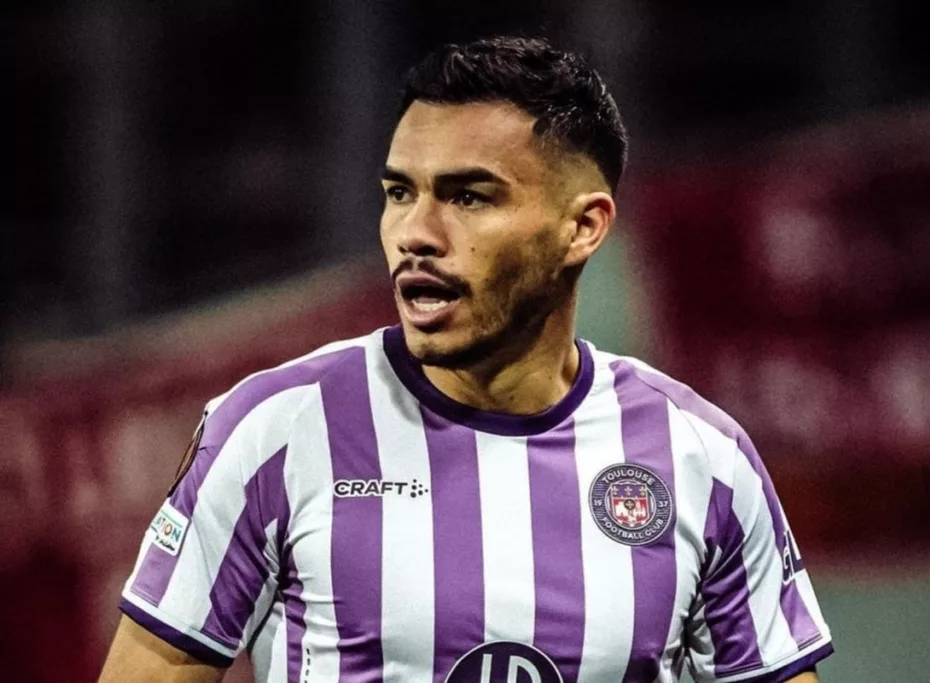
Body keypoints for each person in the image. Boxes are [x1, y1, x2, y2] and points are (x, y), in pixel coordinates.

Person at [100, 36, 833, 683]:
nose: (416, 231)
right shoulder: (275, 431)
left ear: (582, 226)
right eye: (399, 192)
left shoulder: (703, 458)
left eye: (469, 197)